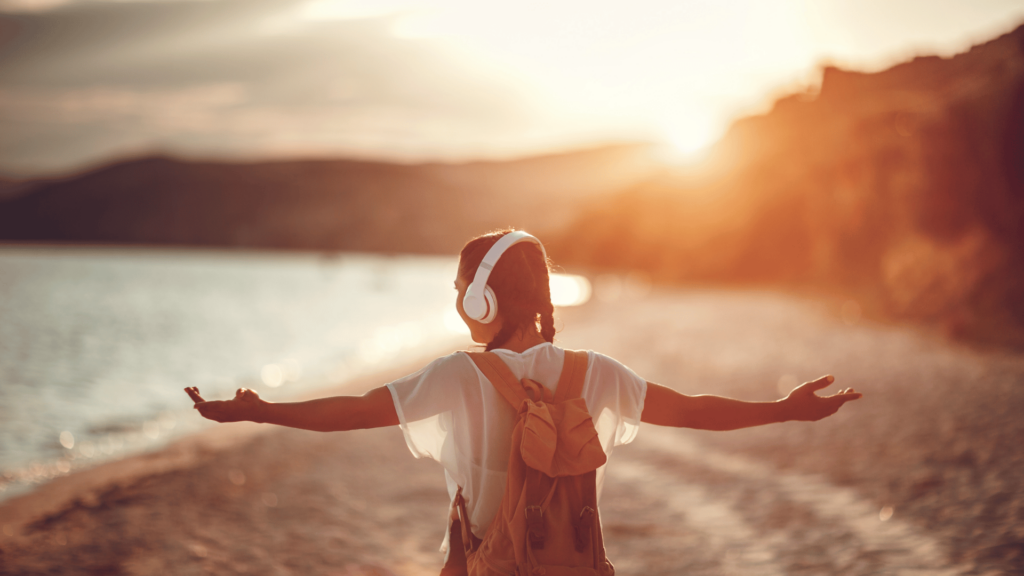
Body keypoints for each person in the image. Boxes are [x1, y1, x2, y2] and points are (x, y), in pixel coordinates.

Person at [186, 229, 862, 573]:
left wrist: (264, 410)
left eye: (460, 287)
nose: (456, 300)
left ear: (482, 296)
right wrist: (781, 409)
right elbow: (690, 409)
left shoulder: (458, 373)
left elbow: (360, 410)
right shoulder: (593, 370)